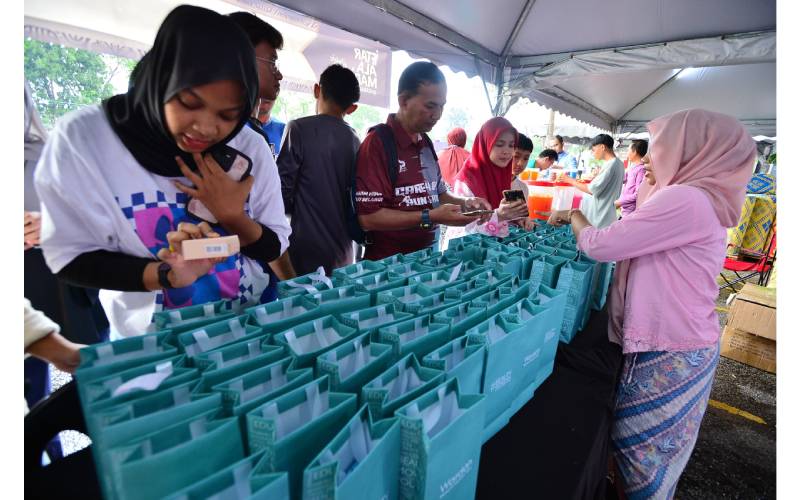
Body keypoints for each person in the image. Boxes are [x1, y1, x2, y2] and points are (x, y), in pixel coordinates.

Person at [35, 5, 291, 338]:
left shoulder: (249, 146)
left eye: (228, 114)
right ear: (162, 78)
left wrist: (231, 215)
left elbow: (273, 246)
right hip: (146, 346)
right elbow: (70, 257)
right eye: (189, 102)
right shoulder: (86, 139)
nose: (207, 127)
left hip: (241, 334)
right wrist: (166, 273)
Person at [547, 109, 756, 499]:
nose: (648, 160)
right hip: (679, 340)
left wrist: (574, 214)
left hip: (672, 346)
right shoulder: (697, 196)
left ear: (691, 150)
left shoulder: (687, 199)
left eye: (661, 147)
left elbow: (601, 245)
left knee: (641, 453)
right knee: (643, 450)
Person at [355, 61, 491, 260]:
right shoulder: (378, 143)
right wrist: (429, 216)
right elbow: (367, 218)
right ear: (403, 101)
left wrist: (467, 204)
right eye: (430, 106)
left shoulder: (425, 142)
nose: (437, 115)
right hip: (388, 265)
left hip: (428, 258)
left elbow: (438, 196)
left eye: (442, 106)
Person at [229, 10, 296, 289]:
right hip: (237, 299)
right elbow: (275, 239)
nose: (278, 73)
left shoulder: (253, 137)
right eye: (272, 62)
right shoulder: (249, 141)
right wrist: (295, 286)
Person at [277, 64, 361, 275]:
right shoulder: (356, 140)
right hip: (344, 252)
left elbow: (281, 193)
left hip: (304, 249)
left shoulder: (298, 129)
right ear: (351, 108)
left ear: (317, 90)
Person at [445, 117, 531, 242]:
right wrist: (499, 216)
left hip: (494, 250)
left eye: (511, 145)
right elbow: (462, 230)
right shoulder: (468, 179)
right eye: (499, 144)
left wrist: (515, 218)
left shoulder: (504, 175)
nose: (507, 151)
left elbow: (501, 216)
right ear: (486, 143)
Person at [558, 133, 624, 229]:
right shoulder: (618, 163)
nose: (593, 153)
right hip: (607, 213)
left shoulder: (611, 165)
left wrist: (569, 180)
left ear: (602, 147)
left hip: (600, 216)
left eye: (594, 150)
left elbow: (591, 190)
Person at [614, 139, 648, 217]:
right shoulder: (632, 167)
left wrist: (620, 202)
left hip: (631, 210)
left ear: (634, 152)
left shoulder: (641, 169)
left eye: (628, 150)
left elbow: (638, 194)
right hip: (625, 208)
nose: (627, 153)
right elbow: (622, 179)